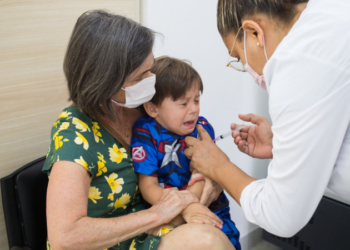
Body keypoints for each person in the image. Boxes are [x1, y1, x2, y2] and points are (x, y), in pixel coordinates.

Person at [43, 10, 235, 250]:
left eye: (151, 68)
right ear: (106, 81)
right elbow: (65, 237)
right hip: (106, 242)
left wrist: (208, 182)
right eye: (140, 76)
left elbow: (207, 159)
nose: (151, 80)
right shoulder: (75, 132)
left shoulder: (147, 110)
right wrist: (157, 215)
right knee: (207, 242)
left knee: (213, 236)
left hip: (151, 230)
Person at [185, 0, 350, 238]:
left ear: (254, 33)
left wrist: (219, 167)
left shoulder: (299, 66)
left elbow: (281, 215)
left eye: (239, 57)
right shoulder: (330, 16)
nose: (246, 67)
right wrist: (286, 146)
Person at [131, 56, 241, 250]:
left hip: (208, 205)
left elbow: (205, 177)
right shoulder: (145, 132)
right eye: (183, 104)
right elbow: (148, 186)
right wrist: (184, 208)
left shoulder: (202, 129)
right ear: (152, 108)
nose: (194, 110)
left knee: (223, 241)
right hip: (168, 210)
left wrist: (192, 206)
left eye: (196, 100)